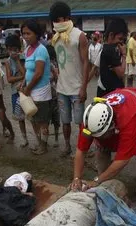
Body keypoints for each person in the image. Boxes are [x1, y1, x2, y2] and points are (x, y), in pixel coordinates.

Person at [71, 88, 136, 202]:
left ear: (112, 127)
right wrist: (76, 178)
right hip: (116, 124)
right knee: (101, 152)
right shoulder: (90, 119)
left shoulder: (130, 120)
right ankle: (104, 186)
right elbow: (81, 150)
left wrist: (96, 181)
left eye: (100, 135)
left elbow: (122, 160)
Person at [49, 2, 90, 157]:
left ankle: (83, 149)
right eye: (56, 20)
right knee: (65, 121)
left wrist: (84, 87)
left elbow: (86, 62)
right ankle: (67, 146)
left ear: (68, 18)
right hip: (61, 88)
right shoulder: (56, 37)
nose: (59, 23)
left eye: (62, 19)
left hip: (77, 87)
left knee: (80, 122)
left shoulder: (79, 35)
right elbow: (60, 61)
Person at [19, 20, 52, 155]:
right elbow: (28, 71)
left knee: (42, 120)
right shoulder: (28, 50)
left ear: (36, 34)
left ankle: (43, 146)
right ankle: (39, 143)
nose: (26, 36)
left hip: (41, 91)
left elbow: (38, 73)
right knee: (33, 119)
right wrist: (23, 84)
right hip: (31, 90)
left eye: (28, 33)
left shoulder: (41, 50)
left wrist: (28, 88)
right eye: (23, 34)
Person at [5, 34, 29, 147]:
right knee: (20, 118)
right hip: (15, 92)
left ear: (18, 49)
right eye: (10, 49)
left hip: (26, 91)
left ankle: (38, 138)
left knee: (32, 114)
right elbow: (9, 79)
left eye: (14, 49)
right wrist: (20, 78)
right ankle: (24, 139)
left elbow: (26, 73)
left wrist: (18, 61)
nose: (12, 52)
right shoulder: (8, 62)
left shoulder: (23, 58)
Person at [96, 19, 127, 97]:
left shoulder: (107, 48)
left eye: (123, 40)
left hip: (106, 91)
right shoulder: (110, 50)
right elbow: (121, 73)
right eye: (120, 39)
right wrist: (124, 55)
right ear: (111, 35)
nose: (121, 42)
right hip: (110, 94)